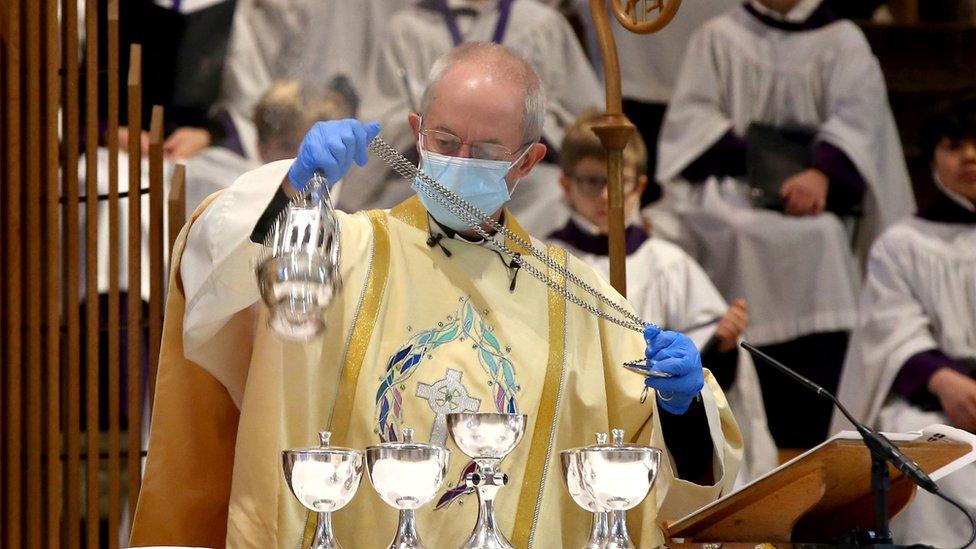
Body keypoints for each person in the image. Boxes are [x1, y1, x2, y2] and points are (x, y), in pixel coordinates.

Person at [130, 43, 742, 548]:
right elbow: (218, 263)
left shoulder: (577, 297)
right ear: (416, 134)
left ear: (528, 163)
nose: (459, 162)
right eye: (445, 142)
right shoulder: (343, 250)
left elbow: (668, 474)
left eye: (485, 152)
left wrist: (683, 409)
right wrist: (295, 187)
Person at [653, 0, 915, 449]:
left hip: (813, 197)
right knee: (737, 230)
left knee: (824, 238)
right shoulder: (719, 36)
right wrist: (764, 167)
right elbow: (693, 121)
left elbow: (859, 120)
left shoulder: (842, 39)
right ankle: (745, 386)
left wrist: (822, 173)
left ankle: (814, 419)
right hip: (731, 187)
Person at [548, 112, 777, 484]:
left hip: (655, 439)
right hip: (576, 425)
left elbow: (706, 378)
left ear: (639, 186)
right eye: (591, 182)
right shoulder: (548, 261)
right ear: (565, 184)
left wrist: (722, 342)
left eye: (617, 182)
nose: (606, 195)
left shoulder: (668, 264)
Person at [831, 98, 976, 547]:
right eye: (954, 146)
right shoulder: (902, 243)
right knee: (928, 460)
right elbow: (890, 328)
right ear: (933, 159)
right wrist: (943, 380)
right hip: (935, 396)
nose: (969, 156)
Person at [342, 0, 604, 237]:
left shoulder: (542, 24)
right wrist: (436, 113)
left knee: (553, 193)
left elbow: (587, 117)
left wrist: (525, 121)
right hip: (431, 174)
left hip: (511, 180)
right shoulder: (408, 29)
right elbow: (381, 121)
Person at [183, 79, 354, 213]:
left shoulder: (344, 218)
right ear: (260, 147)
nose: (300, 158)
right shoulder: (224, 195)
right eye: (286, 146)